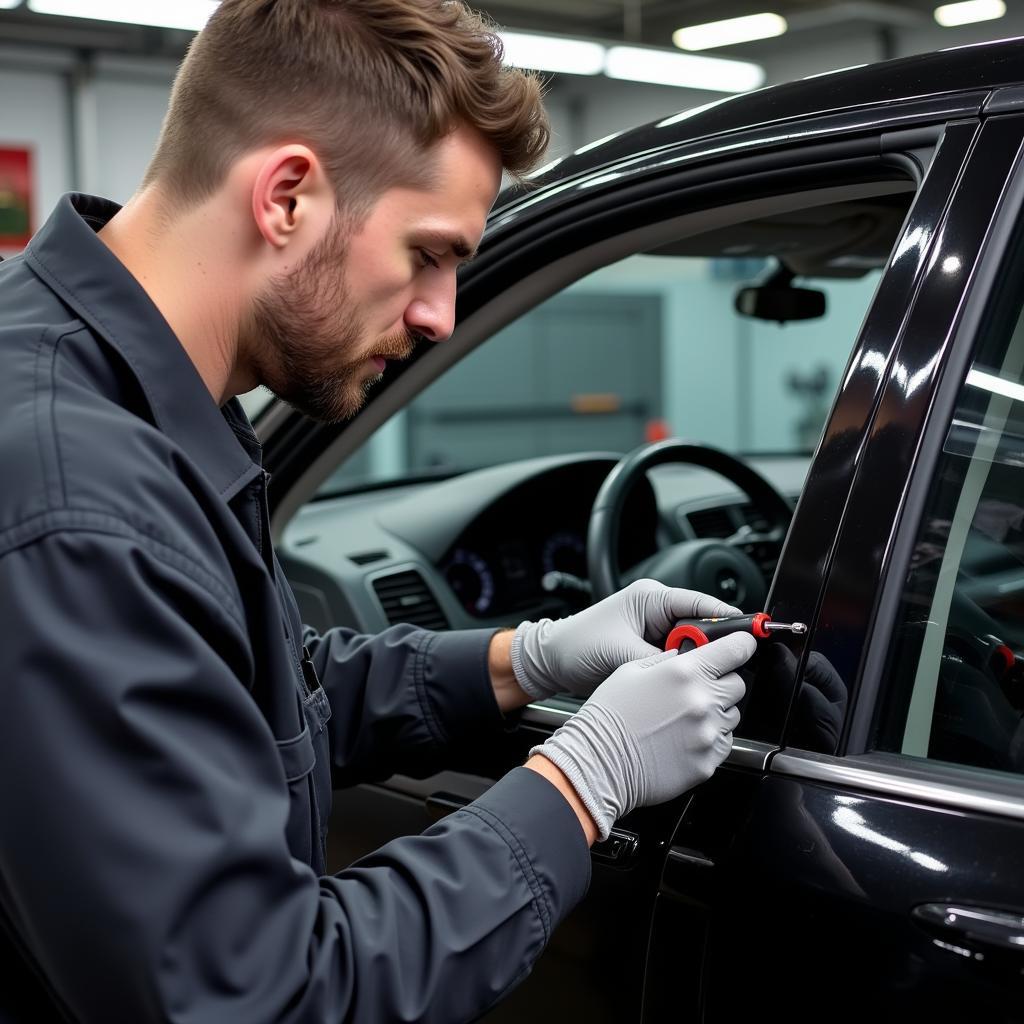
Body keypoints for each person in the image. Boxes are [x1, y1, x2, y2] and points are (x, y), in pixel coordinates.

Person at [0, 1, 755, 1020]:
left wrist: (526, 657)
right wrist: (585, 777)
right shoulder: (79, 497)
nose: (442, 315)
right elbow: (261, 998)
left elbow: (243, 697)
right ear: (287, 197)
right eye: (429, 254)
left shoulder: (106, 384)